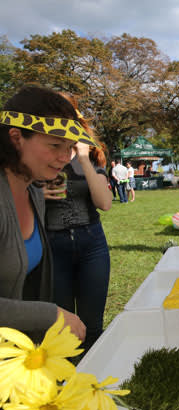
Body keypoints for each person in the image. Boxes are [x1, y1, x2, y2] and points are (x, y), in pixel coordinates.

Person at [0, 85, 95, 342]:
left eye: (69, 147)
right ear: (16, 138)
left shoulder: (33, 194)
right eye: (54, 145)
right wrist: (49, 315)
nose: (65, 157)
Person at [44, 93, 112, 354]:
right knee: (62, 328)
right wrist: (38, 194)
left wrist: (83, 158)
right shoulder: (38, 151)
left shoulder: (91, 153)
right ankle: (65, 386)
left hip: (91, 243)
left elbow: (104, 203)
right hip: (52, 245)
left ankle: (93, 384)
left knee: (92, 325)